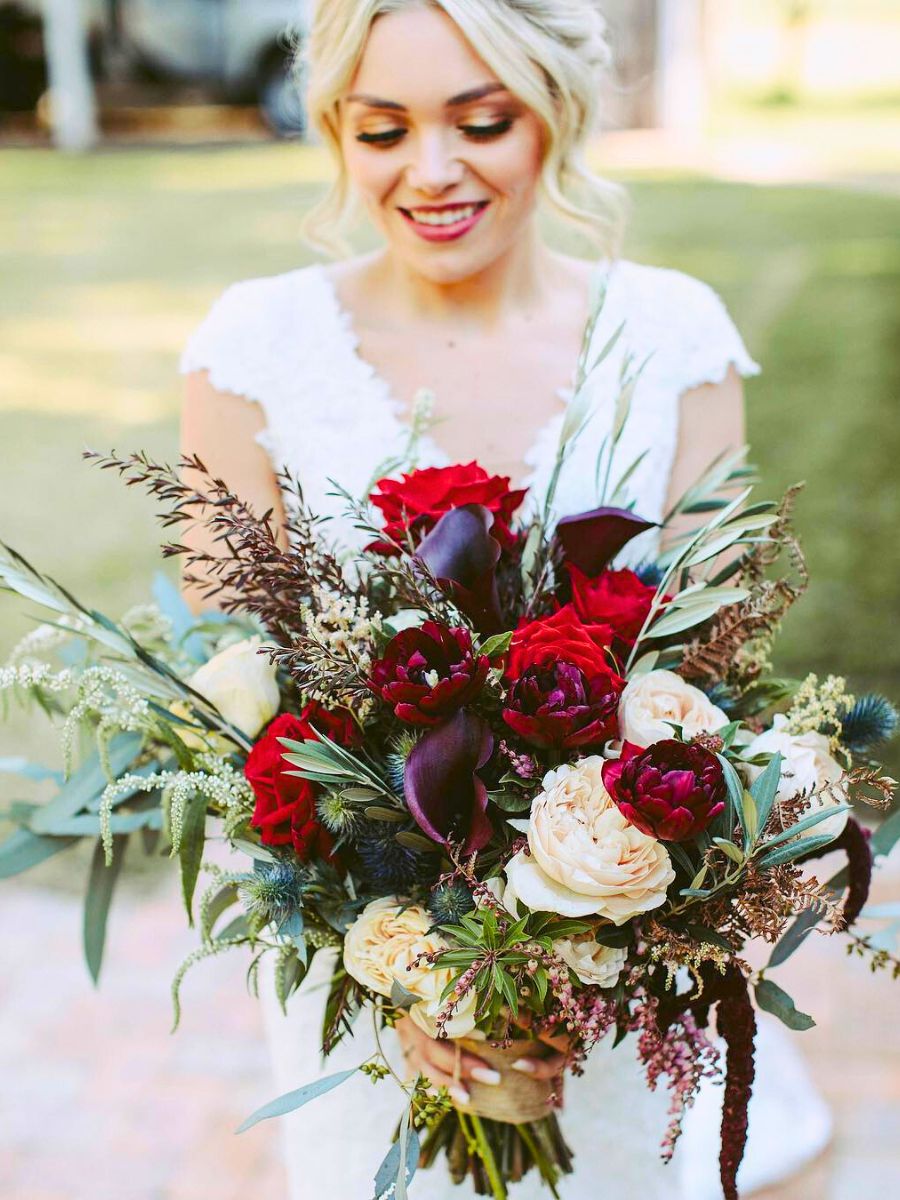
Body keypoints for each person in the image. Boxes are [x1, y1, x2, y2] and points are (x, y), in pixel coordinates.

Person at [179, 2, 830, 1195]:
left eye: (482, 122)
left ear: (557, 117)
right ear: (333, 131)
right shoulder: (252, 346)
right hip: (366, 984)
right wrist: (407, 973)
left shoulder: (672, 331)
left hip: (609, 978)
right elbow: (230, 721)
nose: (431, 172)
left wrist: (573, 959)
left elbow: (715, 685)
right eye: (382, 132)